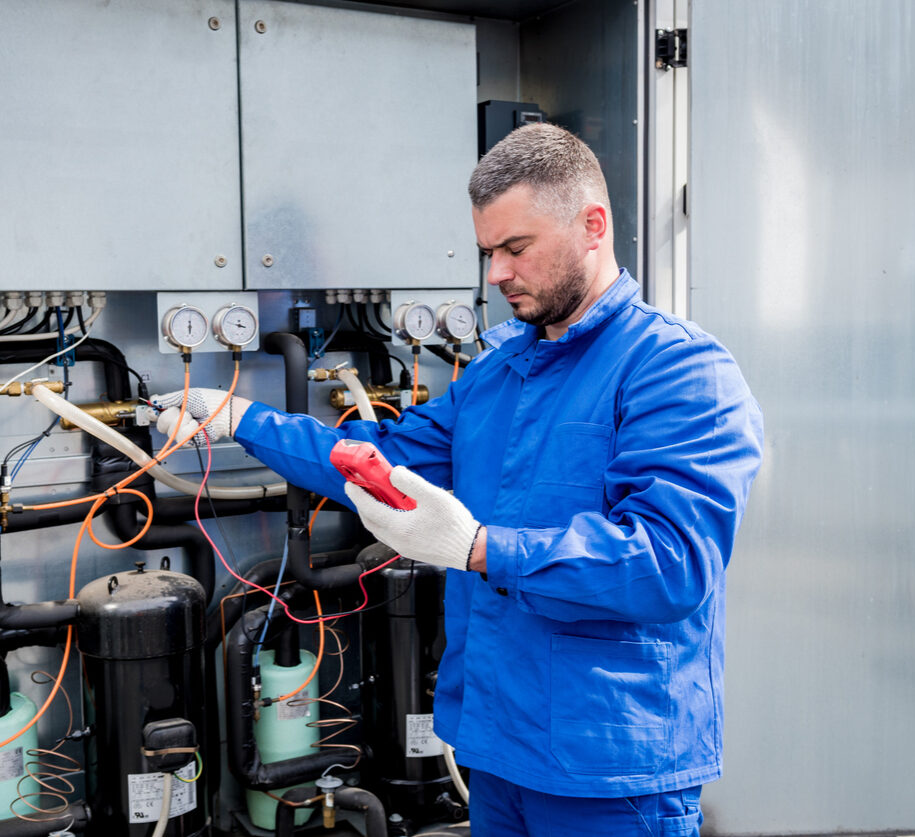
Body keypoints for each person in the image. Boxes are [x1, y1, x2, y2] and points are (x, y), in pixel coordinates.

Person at [152, 124, 764, 836]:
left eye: (516, 248)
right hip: (498, 750)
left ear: (592, 226)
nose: (497, 274)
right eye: (487, 252)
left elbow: (669, 563)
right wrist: (240, 419)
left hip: (610, 768)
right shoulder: (501, 369)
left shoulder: (677, 370)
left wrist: (480, 547)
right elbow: (378, 460)